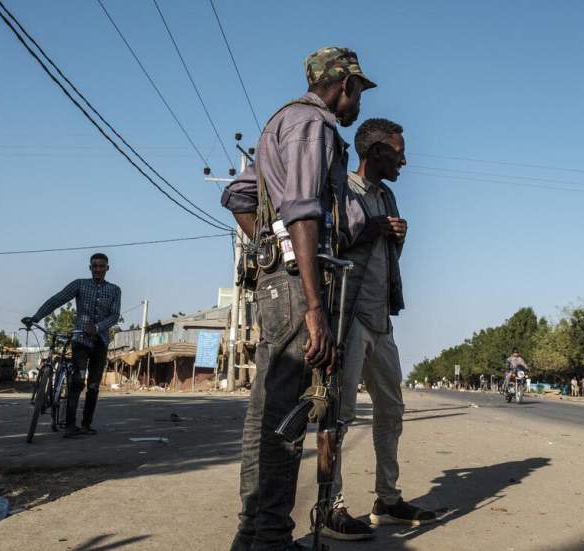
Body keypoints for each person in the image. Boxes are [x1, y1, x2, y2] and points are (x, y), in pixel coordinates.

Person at [223, 47, 377, 551]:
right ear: (344, 84)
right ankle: (270, 536)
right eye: (358, 91)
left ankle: (254, 533)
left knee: (266, 412)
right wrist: (313, 302)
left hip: (281, 281)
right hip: (298, 288)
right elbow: (305, 213)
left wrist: (268, 249)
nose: (357, 104)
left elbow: (239, 197)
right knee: (289, 413)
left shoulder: (278, 123)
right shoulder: (314, 125)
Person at [324, 118, 438, 541]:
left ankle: (387, 500)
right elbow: (324, 244)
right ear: (375, 152)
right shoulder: (341, 192)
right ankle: (329, 506)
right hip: (348, 318)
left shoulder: (387, 195)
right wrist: (366, 228)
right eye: (398, 152)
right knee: (340, 415)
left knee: (391, 409)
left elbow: (385, 257)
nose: (404, 160)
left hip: (380, 320)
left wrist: (397, 236)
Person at [21, 253, 121, 438]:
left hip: (101, 342)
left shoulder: (115, 290)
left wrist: (98, 327)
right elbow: (57, 299)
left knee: (93, 385)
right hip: (80, 341)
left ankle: (86, 424)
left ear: (107, 268)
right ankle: (69, 425)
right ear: (89, 268)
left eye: (102, 266)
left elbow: (114, 315)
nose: (98, 269)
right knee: (77, 381)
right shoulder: (79, 284)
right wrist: (36, 317)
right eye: (95, 266)